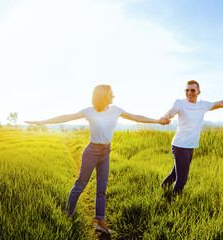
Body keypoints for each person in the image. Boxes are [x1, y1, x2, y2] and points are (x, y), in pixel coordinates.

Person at [25, 84, 170, 234]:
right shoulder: (90, 112)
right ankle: (67, 216)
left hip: (106, 152)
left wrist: (158, 121)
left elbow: (136, 117)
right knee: (80, 184)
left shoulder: (116, 110)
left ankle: (100, 222)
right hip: (91, 152)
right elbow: (67, 117)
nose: (113, 96)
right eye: (111, 94)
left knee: (102, 189)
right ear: (102, 96)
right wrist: (42, 121)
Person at [160, 80, 223, 196]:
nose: (189, 93)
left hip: (189, 146)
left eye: (192, 90)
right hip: (180, 145)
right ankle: (172, 203)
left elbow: (222, 103)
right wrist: (165, 116)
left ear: (198, 92)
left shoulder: (202, 105)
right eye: (187, 90)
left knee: (175, 174)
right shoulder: (180, 103)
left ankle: (161, 191)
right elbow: (171, 111)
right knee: (182, 179)